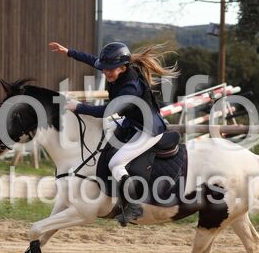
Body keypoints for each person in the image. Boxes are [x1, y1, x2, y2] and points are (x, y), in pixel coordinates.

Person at [48, 40, 177, 226]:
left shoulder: (131, 87)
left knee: (116, 163)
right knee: (102, 135)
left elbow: (107, 111)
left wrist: (78, 107)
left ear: (123, 68)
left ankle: (133, 206)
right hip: (132, 122)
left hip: (148, 129)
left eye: (110, 69)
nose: (106, 72)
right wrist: (68, 51)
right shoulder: (114, 70)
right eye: (104, 68)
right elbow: (92, 60)